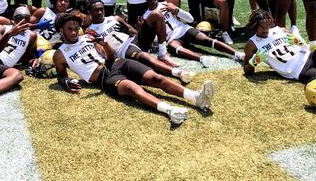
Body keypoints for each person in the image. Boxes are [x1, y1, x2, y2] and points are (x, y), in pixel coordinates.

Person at [53, 12, 215, 125]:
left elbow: (109, 57)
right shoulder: (59, 54)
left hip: (118, 63)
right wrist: (65, 80)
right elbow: (61, 76)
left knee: (156, 78)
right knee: (133, 89)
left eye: (76, 28)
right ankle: (170, 111)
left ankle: (196, 97)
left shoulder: (89, 37)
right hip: (106, 78)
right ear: (61, 30)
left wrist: (103, 43)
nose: (74, 32)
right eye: (70, 29)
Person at [86, 0, 194, 80]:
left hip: (135, 40)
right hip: (124, 49)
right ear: (90, 12)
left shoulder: (115, 18)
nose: (100, 12)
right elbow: (105, 54)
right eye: (96, 10)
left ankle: (162, 53)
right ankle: (178, 73)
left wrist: (128, 30)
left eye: (101, 9)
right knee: (143, 56)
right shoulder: (91, 31)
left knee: (156, 14)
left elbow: (134, 31)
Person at [139, 0, 243, 68]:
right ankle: (201, 59)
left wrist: (176, 10)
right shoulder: (146, 16)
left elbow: (191, 20)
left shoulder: (166, 4)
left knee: (207, 40)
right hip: (170, 38)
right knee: (177, 48)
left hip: (183, 29)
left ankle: (236, 53)